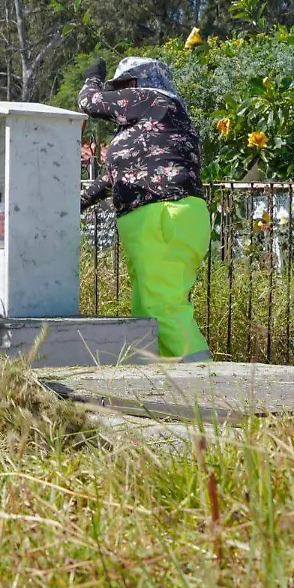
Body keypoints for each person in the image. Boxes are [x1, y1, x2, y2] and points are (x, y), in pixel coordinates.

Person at [78, 56, 211, 362]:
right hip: (171, 214)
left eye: (121, 86)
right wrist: (77, 204)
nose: (117, 94)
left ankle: (204, 380)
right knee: (148, 311)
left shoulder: (150, 99)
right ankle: (166, 380)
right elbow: (115, 176)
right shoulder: (162, 117)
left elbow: (89, 101)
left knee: (162, 307)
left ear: (137, 82)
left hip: (161, 212)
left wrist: (92, 78)